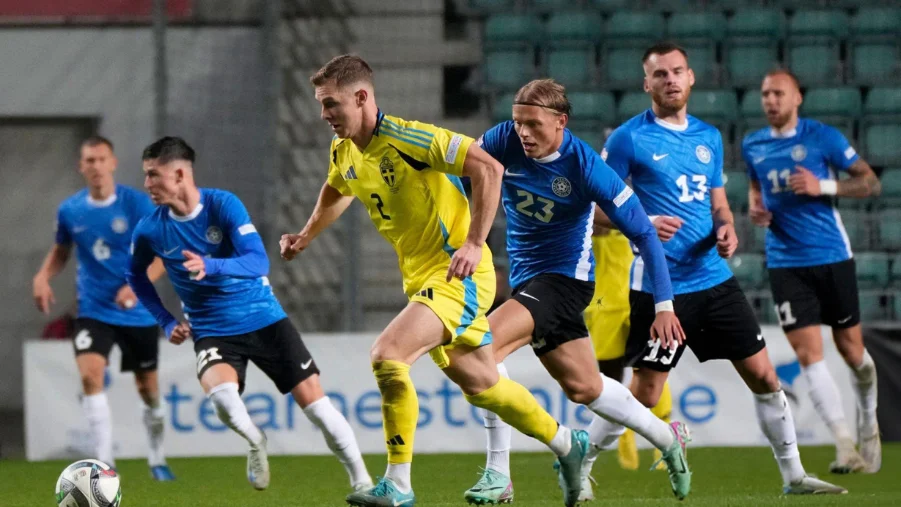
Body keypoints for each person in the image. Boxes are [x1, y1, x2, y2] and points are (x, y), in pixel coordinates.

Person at [280, 55, 588, 507]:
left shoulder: (410, 138)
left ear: (362, 97)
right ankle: (567, 443)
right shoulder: (344, 150)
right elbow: (338, 187)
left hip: (458, 274)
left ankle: (398, 484)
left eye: (331, 104)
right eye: (321, 105)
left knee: (388, 356)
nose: (324, 115)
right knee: (484, 384)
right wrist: (306, 234)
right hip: (422, 280)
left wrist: (472, 242)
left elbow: (488, 168)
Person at [583, 42, 847, 495]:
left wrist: (727, 228)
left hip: (715, 279)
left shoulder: (707, 137)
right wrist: (640, 223)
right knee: (645, 393)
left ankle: (794, 476)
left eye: (677, 71)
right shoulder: (628, 138)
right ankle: (580, 462)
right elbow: (592, 208)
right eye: (660, 74)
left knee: (765, 376)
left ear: (691, 79)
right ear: (647, 83)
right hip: (662, 289)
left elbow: (718, 203)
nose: (670, 80)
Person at [465, 78, 691, 505]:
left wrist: (665, 305)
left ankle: (500, 474)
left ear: (560, 122)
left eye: (533, 124)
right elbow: (467, 177)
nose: (523, 133)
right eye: (518, 123)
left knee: (480, 348)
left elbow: (644, 232)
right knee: (587, 389)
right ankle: (668, 440)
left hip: (566, 281)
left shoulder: (585, 166)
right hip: (527, 280)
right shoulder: (502, 139)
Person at [126, 137, 371, 493]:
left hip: (265, 319)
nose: (147, 184)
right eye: (145, 175)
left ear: (179, 173)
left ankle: (362, 480)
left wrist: (211, 265)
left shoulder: (223, 205)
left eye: (153, 175)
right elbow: (134, 276)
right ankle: (255, 439)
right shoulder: (150, 228)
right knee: (223, 398)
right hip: (211, 330)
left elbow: (259, 261)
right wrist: (165, 320)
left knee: (316, 407)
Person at [743, 69, 881, 474]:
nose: (770, 101)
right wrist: (756, 208)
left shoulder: (824, 137)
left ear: (797, 98)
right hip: (786, 262)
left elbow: (870, 183)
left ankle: (868, 421)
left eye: (778, 94)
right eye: (765, 94)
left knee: (853, 354)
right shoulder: (753, 144)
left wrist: (825, 187)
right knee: (808, 356)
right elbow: (756, 186)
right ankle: (844, 443)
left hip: (832, 256)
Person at [32, 136, 174, 480]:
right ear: (81, 167)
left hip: (136, 311)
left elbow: (161, 257)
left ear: (112, 163)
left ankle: (156, 457)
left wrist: (136, 286)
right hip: (93, 309)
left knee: (148, 389)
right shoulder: (70, 210)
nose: (95, 166)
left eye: (101, 159)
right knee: (90, 375)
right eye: (89, 161)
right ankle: (104, 464)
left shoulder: (138, 205)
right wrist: (42, 277)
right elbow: (61, 251)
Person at [584, 222, 674, 479]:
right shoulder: (595, 198)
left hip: (637, 296)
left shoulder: (636, 202)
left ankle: (665, 443)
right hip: (602, 304)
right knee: (609, 380)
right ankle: (625, 437)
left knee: (650, 368)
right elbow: (595, 228)